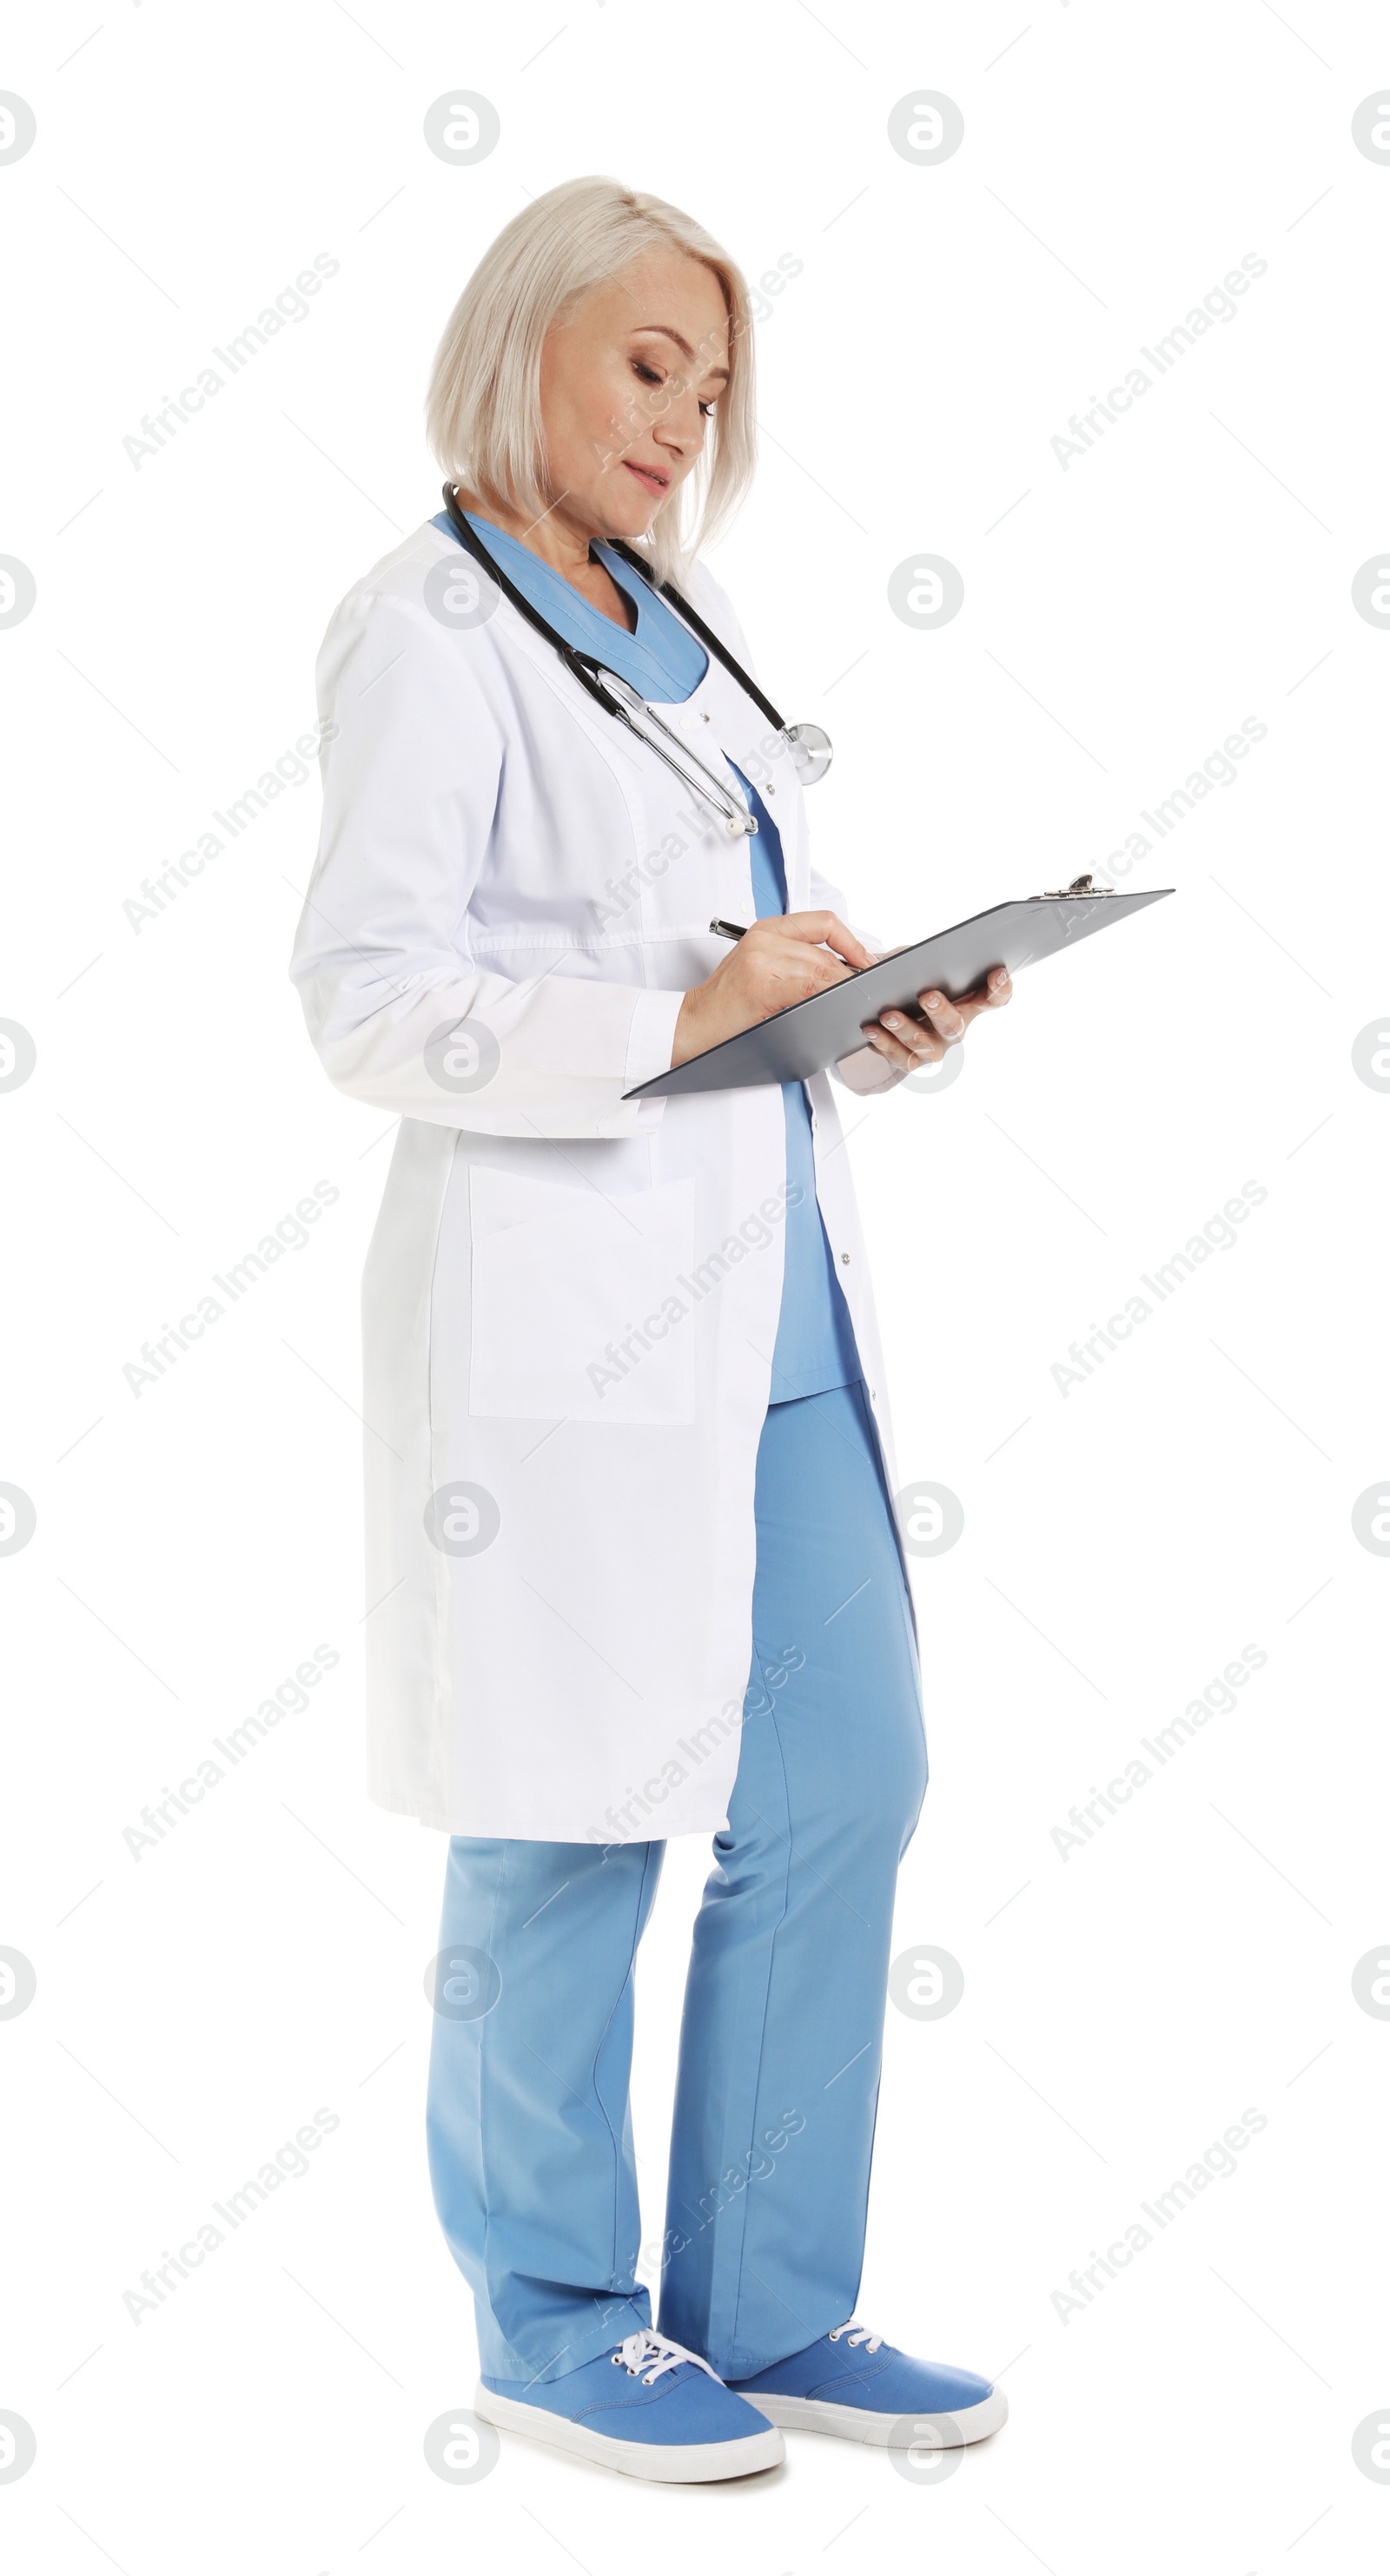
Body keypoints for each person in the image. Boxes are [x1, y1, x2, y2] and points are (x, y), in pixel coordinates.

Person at [290, 175, 1012, 2486]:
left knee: (845, 1782)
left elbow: (730, 967)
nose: (683, 422)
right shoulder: (431, 627)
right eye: (644, 365)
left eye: (708, 385)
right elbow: (372, 1003)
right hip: (571, 1334)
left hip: (772, 1294)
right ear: (523, 345)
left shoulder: (684, 627)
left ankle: (769, 2308)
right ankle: (552, 2318)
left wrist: (859, 1018)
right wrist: (679, 1011)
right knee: (563, 1810)